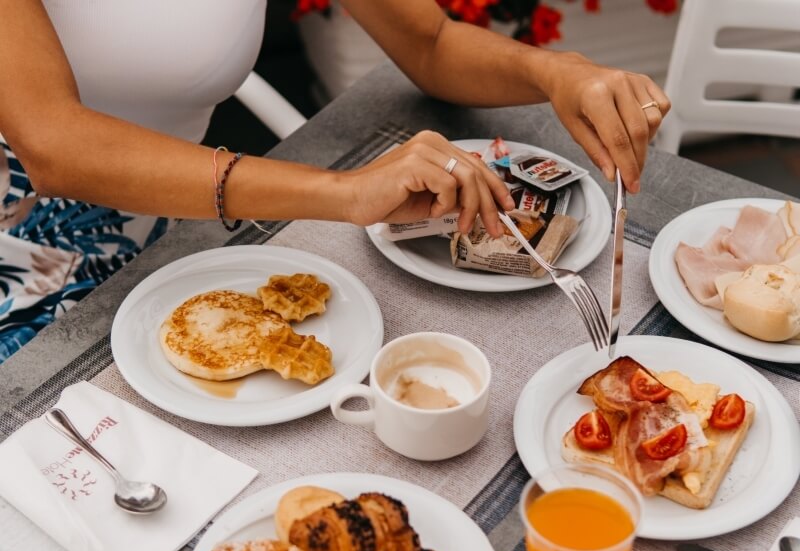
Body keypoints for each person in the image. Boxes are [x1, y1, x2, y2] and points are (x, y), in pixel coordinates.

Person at [0, 0, 670, 363]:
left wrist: (557, 72)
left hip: (172, 226)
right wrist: (345, 193)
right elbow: (56, 145)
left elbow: (429, 42)